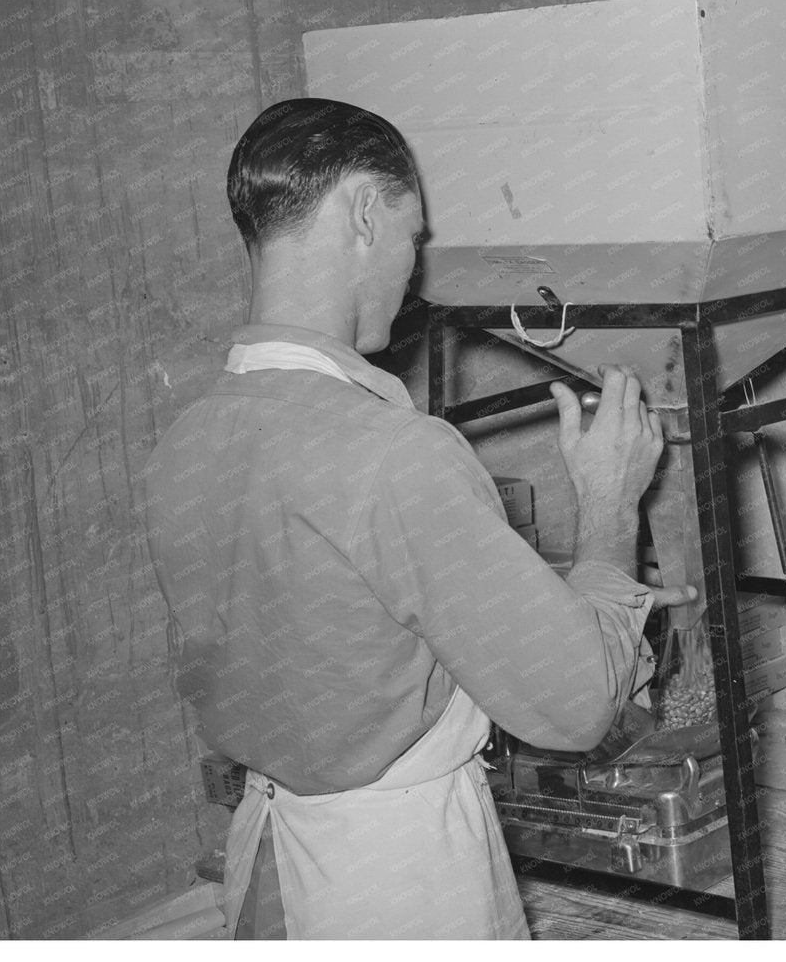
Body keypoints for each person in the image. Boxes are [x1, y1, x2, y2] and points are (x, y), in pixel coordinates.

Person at [143, 97, 692, 939]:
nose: (414, 268)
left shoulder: (189, 440)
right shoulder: (394, 451)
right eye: (414, 235)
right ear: (365, 211)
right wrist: (612, 503)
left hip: (275, 867)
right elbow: (576, 705)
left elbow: (344, 623)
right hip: (398, 882)